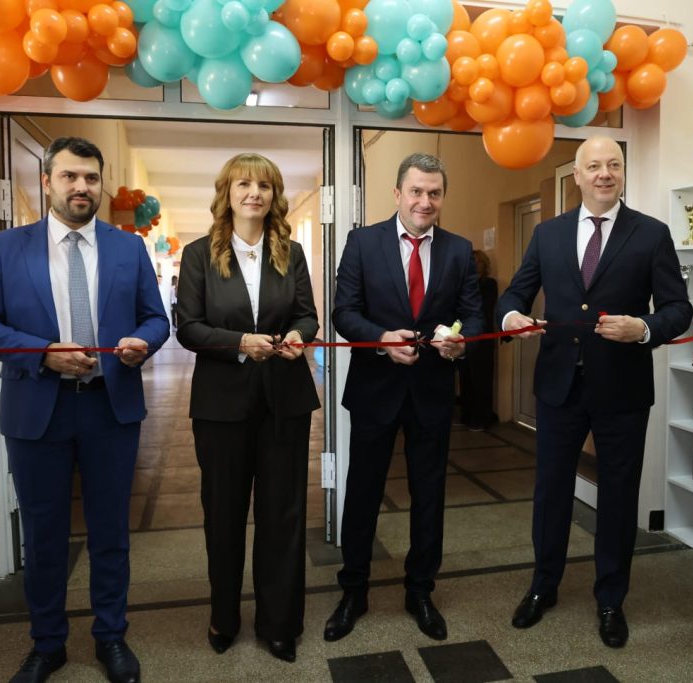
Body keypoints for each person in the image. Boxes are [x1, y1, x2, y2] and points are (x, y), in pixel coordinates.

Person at [0, 137, 169, 683]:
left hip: (110, 409)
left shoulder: (128, 249)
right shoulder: (6, 248)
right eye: (70, 176)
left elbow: (156, 318)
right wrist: (42, 353)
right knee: (44, 535)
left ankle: (111, 637)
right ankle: (47, 643)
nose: (82, 187)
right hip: (38, 412)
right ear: (47, 182)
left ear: (101, 186)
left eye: (91, 178)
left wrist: (142, 342)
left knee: (110, 533)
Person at [496, 136, 691, 648]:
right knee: (551, 492)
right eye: (594, 166)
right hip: (558, 386)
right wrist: (511, 316)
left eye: (614, 164)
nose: (605, 173)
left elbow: (678, 309)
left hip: (623, 388)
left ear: (623, 173)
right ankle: (543, 586)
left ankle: (611, 599)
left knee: (619, 496)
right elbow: (516, 292)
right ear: (577, 176)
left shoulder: (652, 234)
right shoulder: (548, 233)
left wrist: (643, 328)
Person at [325, 152, 483, 643]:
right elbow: (344, 312)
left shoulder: (459, 250)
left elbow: (475, 316)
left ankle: (420, 591)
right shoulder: (363, 243)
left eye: (434, 193)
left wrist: (461, 343)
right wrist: (381, 339)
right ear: (398, 193)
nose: (425, 201)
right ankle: (353, 591)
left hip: (432, 393)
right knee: (363, 494)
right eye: (416, 191)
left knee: (429, 496)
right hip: (375, 390)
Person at [175, 153, 320, 664]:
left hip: (285, 400)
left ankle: (280, 623)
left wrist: (299, 336)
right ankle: (224, 616)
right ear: (227, 193)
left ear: (274, 195)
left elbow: (307, 315)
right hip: (221, 404)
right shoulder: (199, 254)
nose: (254, 193)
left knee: (283, 514)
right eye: (244, 184)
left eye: (264, 185)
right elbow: (188, 327)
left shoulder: (291, 253)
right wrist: (239, 342)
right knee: (224, 513)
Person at [459, 250, 498, 431]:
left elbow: (483, 310)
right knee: (466, 377)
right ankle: (466, 414)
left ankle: (481, 418)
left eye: (476, 262)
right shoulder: (463, 284)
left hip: (483, 339)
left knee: (481, 379)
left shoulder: (488, 284)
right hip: (465, 337)